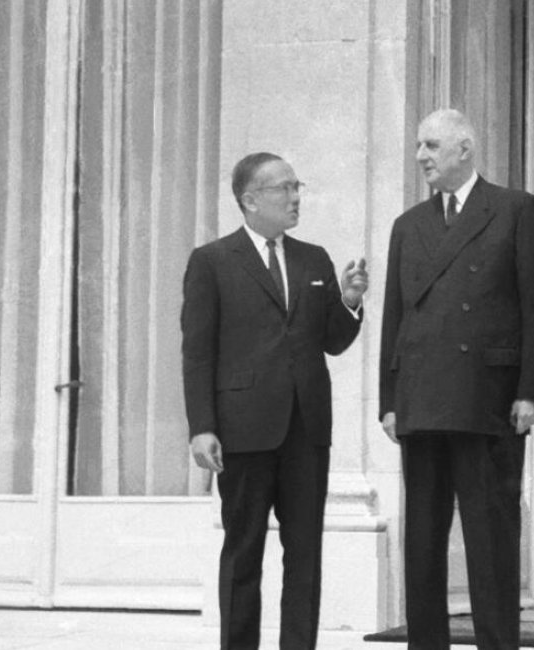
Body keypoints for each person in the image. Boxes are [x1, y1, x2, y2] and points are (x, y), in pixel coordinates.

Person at [379, 108, 534, 650]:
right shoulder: (408, 224)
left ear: (465, 149)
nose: (420, 157)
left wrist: (532, 390)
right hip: (423, 402)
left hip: (490, 401)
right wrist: (389, 400)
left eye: (431, 146)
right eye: (417, 146)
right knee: (424, 543)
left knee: (491, 543)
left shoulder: (515, 210)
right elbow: (396, 317)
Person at [181, 152, 368, 650]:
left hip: (306, 431)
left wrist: (349, 302)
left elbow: (333, 339)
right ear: (249, 200)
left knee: (304, 554)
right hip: (242, 431)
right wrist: (202, 426)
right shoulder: (212, 261)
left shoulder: (314, 258)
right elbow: (197, 352)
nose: (295, 197)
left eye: (296, 186)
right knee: (243, 553)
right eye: (283, 188)